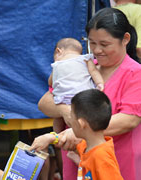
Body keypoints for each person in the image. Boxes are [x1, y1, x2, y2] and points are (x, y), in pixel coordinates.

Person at [36, 7, 141, 180]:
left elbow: (128, 120)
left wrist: (81, 131)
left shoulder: (135, 73)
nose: (97, 50)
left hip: (115, 159)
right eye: (92, 43)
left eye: (104, 44)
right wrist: (66, 111)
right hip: (77, 156)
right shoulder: (82, 64)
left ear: (125, 40)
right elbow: (45, 102)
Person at [31, 89, 124, 180]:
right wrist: (50, 138)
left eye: (71, 116)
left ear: (80, 124)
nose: (69, 119)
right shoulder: (88, 146)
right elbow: (65, 141)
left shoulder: (101, 157)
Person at [48, 38, 104, 133]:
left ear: (58, 51)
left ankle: (58, 136)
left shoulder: (57, 64)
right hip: (83, 96)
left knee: (58, 118)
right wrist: (100, 83)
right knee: (85, 115)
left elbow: (51, 82)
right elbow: (94, 71)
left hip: (63, 99)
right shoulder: (85, 59)